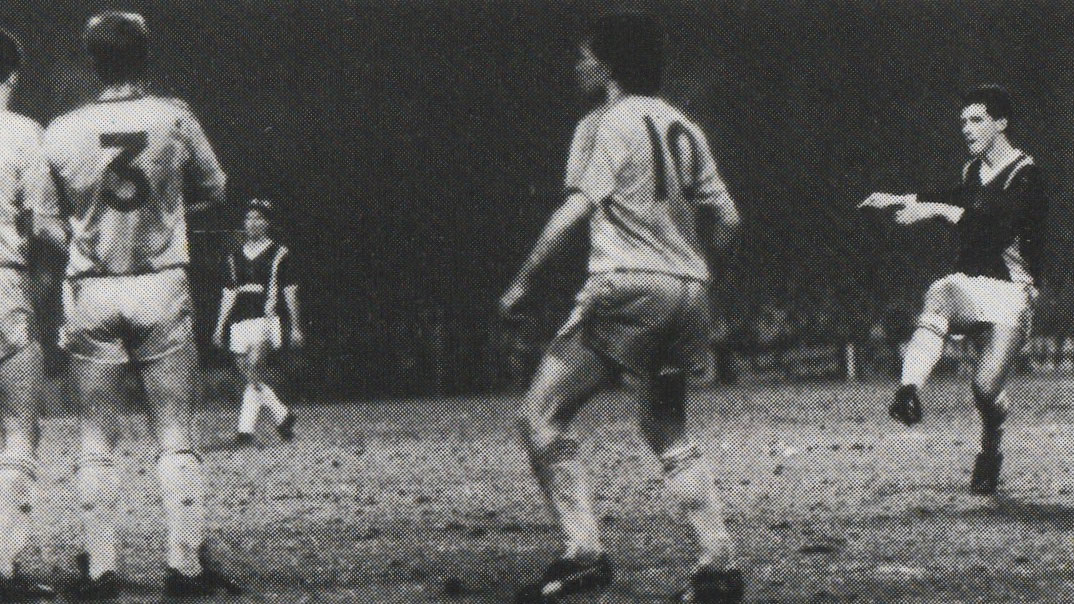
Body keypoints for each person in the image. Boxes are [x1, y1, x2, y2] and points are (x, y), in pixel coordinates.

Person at [499, 14, 744, 603]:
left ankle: (584, 555)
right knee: (667, 429)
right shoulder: (685, 126)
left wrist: (524, 281)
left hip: (625, 290)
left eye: (585, 56)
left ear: (606, 64)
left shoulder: (605, 124)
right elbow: (728, 220)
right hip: (688, 293)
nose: (577, 65)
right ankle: (717, 569)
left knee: (540, 415)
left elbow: (578, 208)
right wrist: (687, 263)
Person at [43, 12, 241, 598]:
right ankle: (185, 565)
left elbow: (48, 221)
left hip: (93, 287)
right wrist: (167, 213)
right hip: (160, 282)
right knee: (175, 435)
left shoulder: (61, 130)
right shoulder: (172, 116)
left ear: (92, 61)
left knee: (96, 440)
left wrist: (87, 240)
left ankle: (102, 569)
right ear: (145, 58)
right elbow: (216, 188)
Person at [859, 85, 1048, 496]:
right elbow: (955, 197)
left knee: (985, 391)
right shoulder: (972, 171)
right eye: (962, 120)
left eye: (976, 119)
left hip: (1013, 294)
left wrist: (933, 211)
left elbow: (994, 231)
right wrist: (902, 198)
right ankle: (909, 389)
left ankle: (990, 449)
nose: (965, 128)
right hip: (971, 286)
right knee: (941, 289)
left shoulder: (1027, 175)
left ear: (1002, 123)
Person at [0, 27, 67, 600]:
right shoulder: (23, 134)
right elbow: (45, 226)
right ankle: (5, 567)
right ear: (13, 76)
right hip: (3, 285)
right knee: (19, 428)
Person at [212, 199, 301, 446]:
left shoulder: (279, 253)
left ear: (268, 222)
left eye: (259, 218)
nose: (253, 223)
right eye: (250, 218)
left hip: (266, 319)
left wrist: (295, 326)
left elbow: (289, 291)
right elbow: (229, 292)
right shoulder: (234, 256)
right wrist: (220, 326)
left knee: (253, 366)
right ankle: (282, 415)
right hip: (240, 321)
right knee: (251, 375)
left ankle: (244, 432)